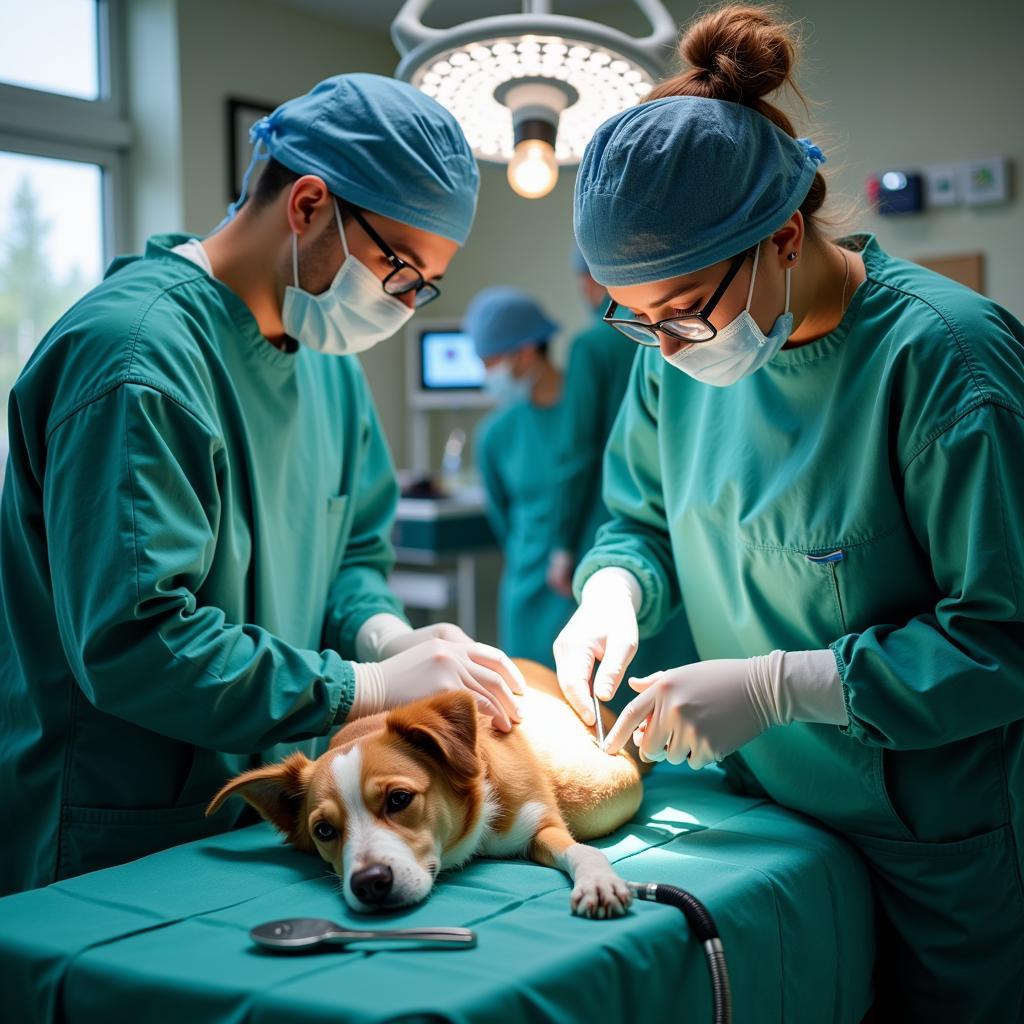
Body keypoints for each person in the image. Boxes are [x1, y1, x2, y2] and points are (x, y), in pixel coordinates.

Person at [555, 5, 1024, 1020]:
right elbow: (636, 516)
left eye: (681, 309)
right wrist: (611, 591)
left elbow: (1005, 637)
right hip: (765, 816)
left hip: (936, 846)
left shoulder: (944, 362)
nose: (666, 347)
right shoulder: (670, 361)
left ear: (781, 235)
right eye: (634, 321)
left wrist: (782, 684)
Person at [0, 73, 527, 896]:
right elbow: (134, 642)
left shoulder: (327, 367)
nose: (405, 305)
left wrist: (386, 634)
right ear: (309, 204)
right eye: (400, 271)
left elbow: (352, 548)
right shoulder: (134, 361)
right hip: (118, 820)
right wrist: (368, 688)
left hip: (273, 819)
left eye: (425, 288)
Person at [547, 244, 698, 708]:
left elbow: (577, 453)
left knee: (622, 661)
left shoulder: (593, 345)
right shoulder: (693, 330)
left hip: (608, 506)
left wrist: (562, 544)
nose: (661, 340)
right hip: (674, 509)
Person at [465, 287, 576, 668]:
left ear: (526, 352)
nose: (486, 375)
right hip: (528, 588)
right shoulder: (496, 434)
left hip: (588, 584)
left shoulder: (591, 411)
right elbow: (502, 516)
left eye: (491, 360)